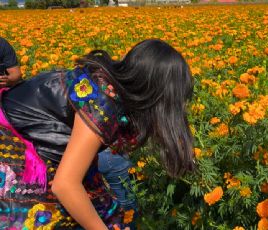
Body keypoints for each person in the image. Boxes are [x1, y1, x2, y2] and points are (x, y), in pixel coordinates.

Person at [0, 39, 194, 229]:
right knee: (42, 218)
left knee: (106, 213)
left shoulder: (110, 85)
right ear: (155, 94)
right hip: (11, 146)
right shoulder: (101, 104)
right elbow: (65, 185)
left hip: (40, 140)